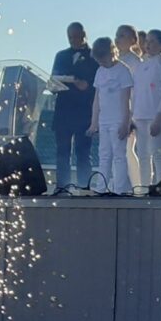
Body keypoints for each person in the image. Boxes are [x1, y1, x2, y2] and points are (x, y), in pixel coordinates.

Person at [50, 22, 98, 190]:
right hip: (63, 111)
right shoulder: (61, 55)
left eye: (76, 36)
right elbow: (54, 78)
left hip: (84, 111)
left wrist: (86, 85)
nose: (73, 40)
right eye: (70, 37)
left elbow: (99, 84)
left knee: (83, 153)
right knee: (62, 153)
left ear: (84, 35)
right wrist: (53, 85)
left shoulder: (94, 56)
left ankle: (84, 188)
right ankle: (62, 187)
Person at [87, 37, 133, 194]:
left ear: (113, 53)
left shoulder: (123, 71)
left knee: (119, 155)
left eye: (104, 59)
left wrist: (125, 123)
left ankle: (120, 189)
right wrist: (94, 123)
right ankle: (101, 188)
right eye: (99, 60)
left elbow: (126, 100)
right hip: (104, 120)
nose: (102, 63)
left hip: (118, 120)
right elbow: (97, 100)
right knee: (104, 155)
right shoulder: (100, 72)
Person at [133, 29, 161, 186]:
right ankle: (144, 186)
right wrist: (132, 115)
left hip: (155, 115)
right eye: (147, 41)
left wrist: (159, 118)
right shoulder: (141, 66)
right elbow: (135, 93)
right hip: (140, 115)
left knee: (157, 153)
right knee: (143, 155)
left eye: (152, 41)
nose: (148, 45)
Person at [114, 25, 143, 188]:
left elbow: (138, 90)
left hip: (130, 110)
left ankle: (136, 184)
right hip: (115, 109)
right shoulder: (114, 60)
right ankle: (119, 183)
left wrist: (132, 115)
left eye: (122, 36)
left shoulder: (135, 62)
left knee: (127, 148)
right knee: (116, 150)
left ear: (133, 40)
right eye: (117, 35)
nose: (118, 39)